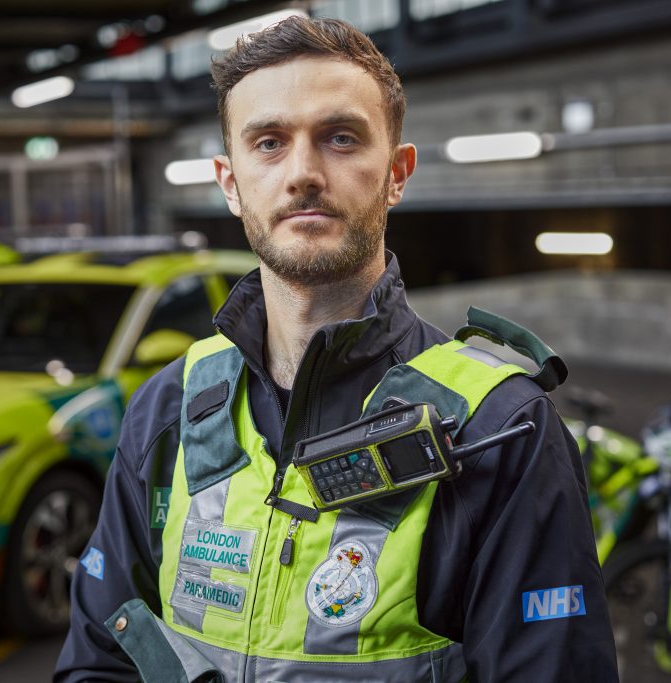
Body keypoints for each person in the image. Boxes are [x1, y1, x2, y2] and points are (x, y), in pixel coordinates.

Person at [55, 15, 618, 682]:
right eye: (268, 142)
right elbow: (99, 659)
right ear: (230, 182)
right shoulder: (167, 409)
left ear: (397, 173)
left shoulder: (501, 431)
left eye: (340, 137)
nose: (303, 173)